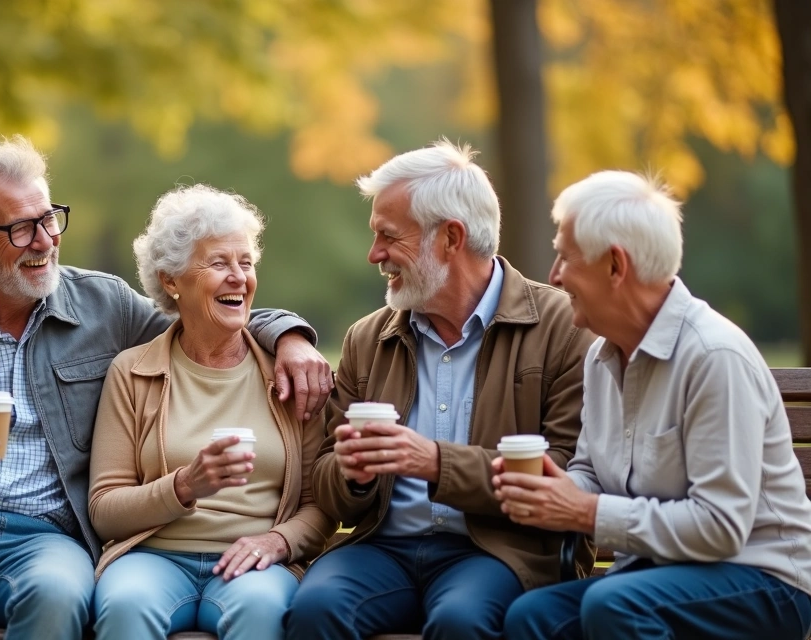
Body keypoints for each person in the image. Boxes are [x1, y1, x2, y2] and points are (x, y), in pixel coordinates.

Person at [0, 137, 332, 640]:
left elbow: (205, 319)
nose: (45, 240)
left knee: (57, 595)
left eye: (48, 218)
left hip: (44, 537)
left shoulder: (105, 306)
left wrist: (289, 336)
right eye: (20, 228)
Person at [285, 139, 597, 640]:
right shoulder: (369, 338)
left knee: (461, 621)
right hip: (383, 549)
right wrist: (352, 474)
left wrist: (434, 462)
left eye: (388, 237)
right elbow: (326, 482)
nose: (374, 255)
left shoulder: (562, 326)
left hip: (499, 549)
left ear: (450, 238)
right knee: (315, 607)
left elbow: (563, 469)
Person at [496, 170, 811, 640]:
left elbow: (721, 527)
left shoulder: (713, 357)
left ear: (615, 267)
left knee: (612, 605)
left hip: (762, 578)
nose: (553, 275)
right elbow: (590, 471)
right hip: (654, 573)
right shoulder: (602, 356)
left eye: (565, 257)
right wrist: (554, 490)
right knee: (531, 617)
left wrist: (584, 512)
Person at [87, 185, 336, 640]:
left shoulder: (291, 372)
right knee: (124, 606)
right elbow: (105, 509)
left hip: (255, 564)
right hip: (153, 557)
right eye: (219, 263)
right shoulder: (132, 372)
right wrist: (185, 485)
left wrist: (277, 542)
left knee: (261, 611)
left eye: (246, 263)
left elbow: (320, 502)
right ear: (170, 280)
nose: (239, 277)